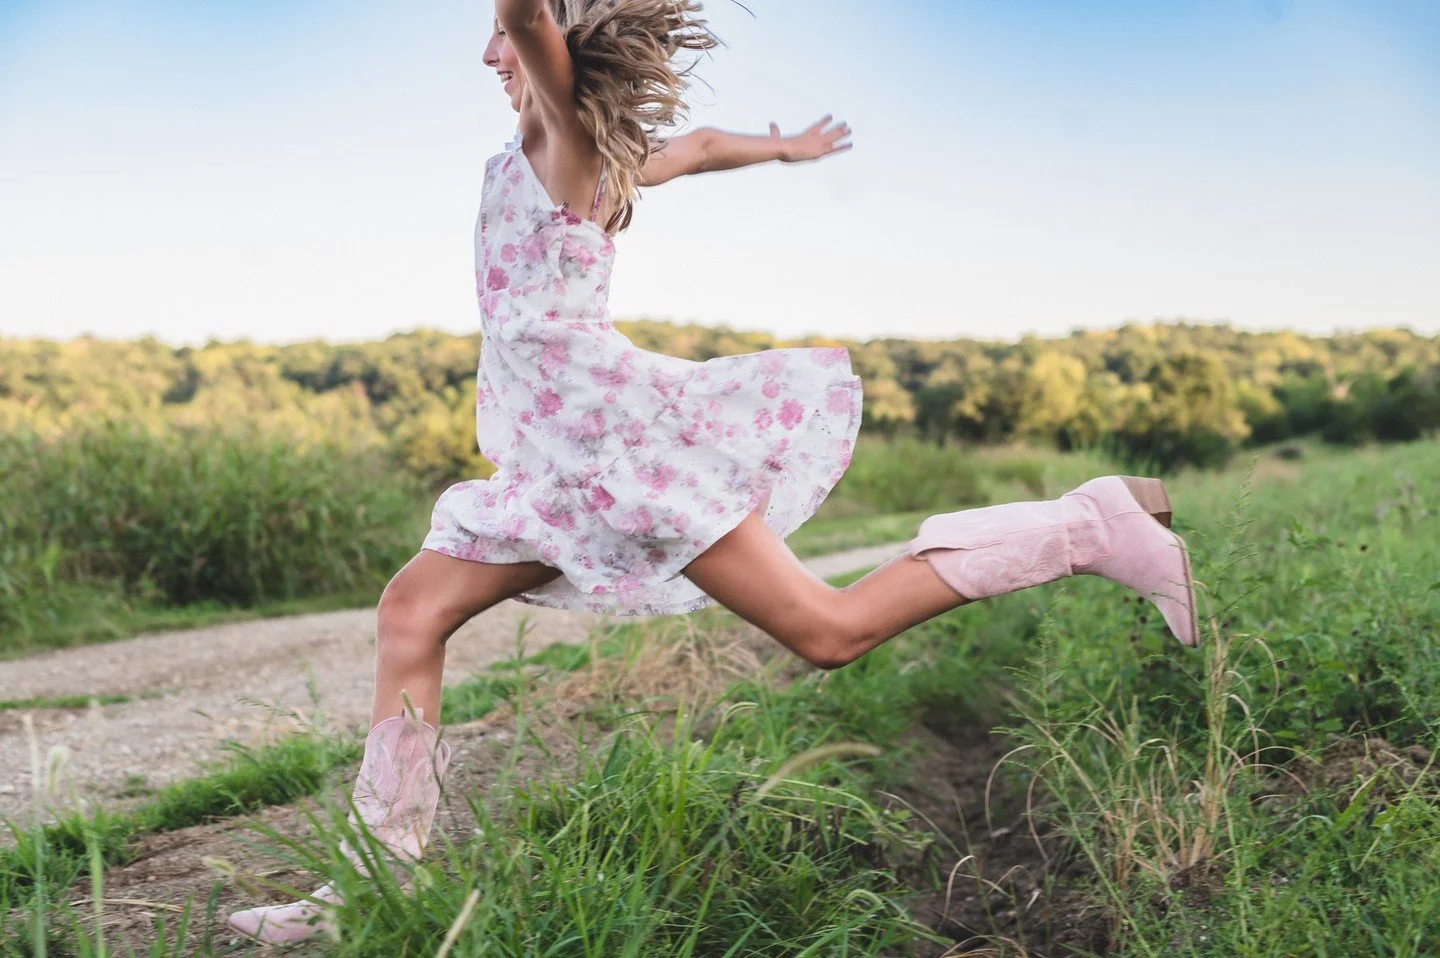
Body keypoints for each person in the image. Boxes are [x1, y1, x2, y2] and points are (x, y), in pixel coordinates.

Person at [227, 0, 1196, 942]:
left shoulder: (563, 136)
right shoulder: (578, 154)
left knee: (829, 629)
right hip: (551, 464)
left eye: (499, 36)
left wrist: (534, 25)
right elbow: (693, 149)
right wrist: (781, 148)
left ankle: (1088, 526)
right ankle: (374, 878)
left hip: (622, 457)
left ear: (549, 41)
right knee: (411, 613)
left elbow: (531, 23)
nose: (489, 55)